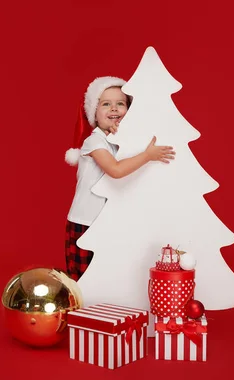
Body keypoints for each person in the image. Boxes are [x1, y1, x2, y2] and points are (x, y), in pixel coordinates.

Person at [64, 76, 175, 281]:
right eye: (106, 104)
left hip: (110, 222)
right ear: (94, 114)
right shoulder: (94, 141)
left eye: (120, 104)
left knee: (107, 276)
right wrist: (148, 156)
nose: (114, 109)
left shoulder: (120, 142)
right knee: (85, 280)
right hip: (86, 222)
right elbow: (115, 170)